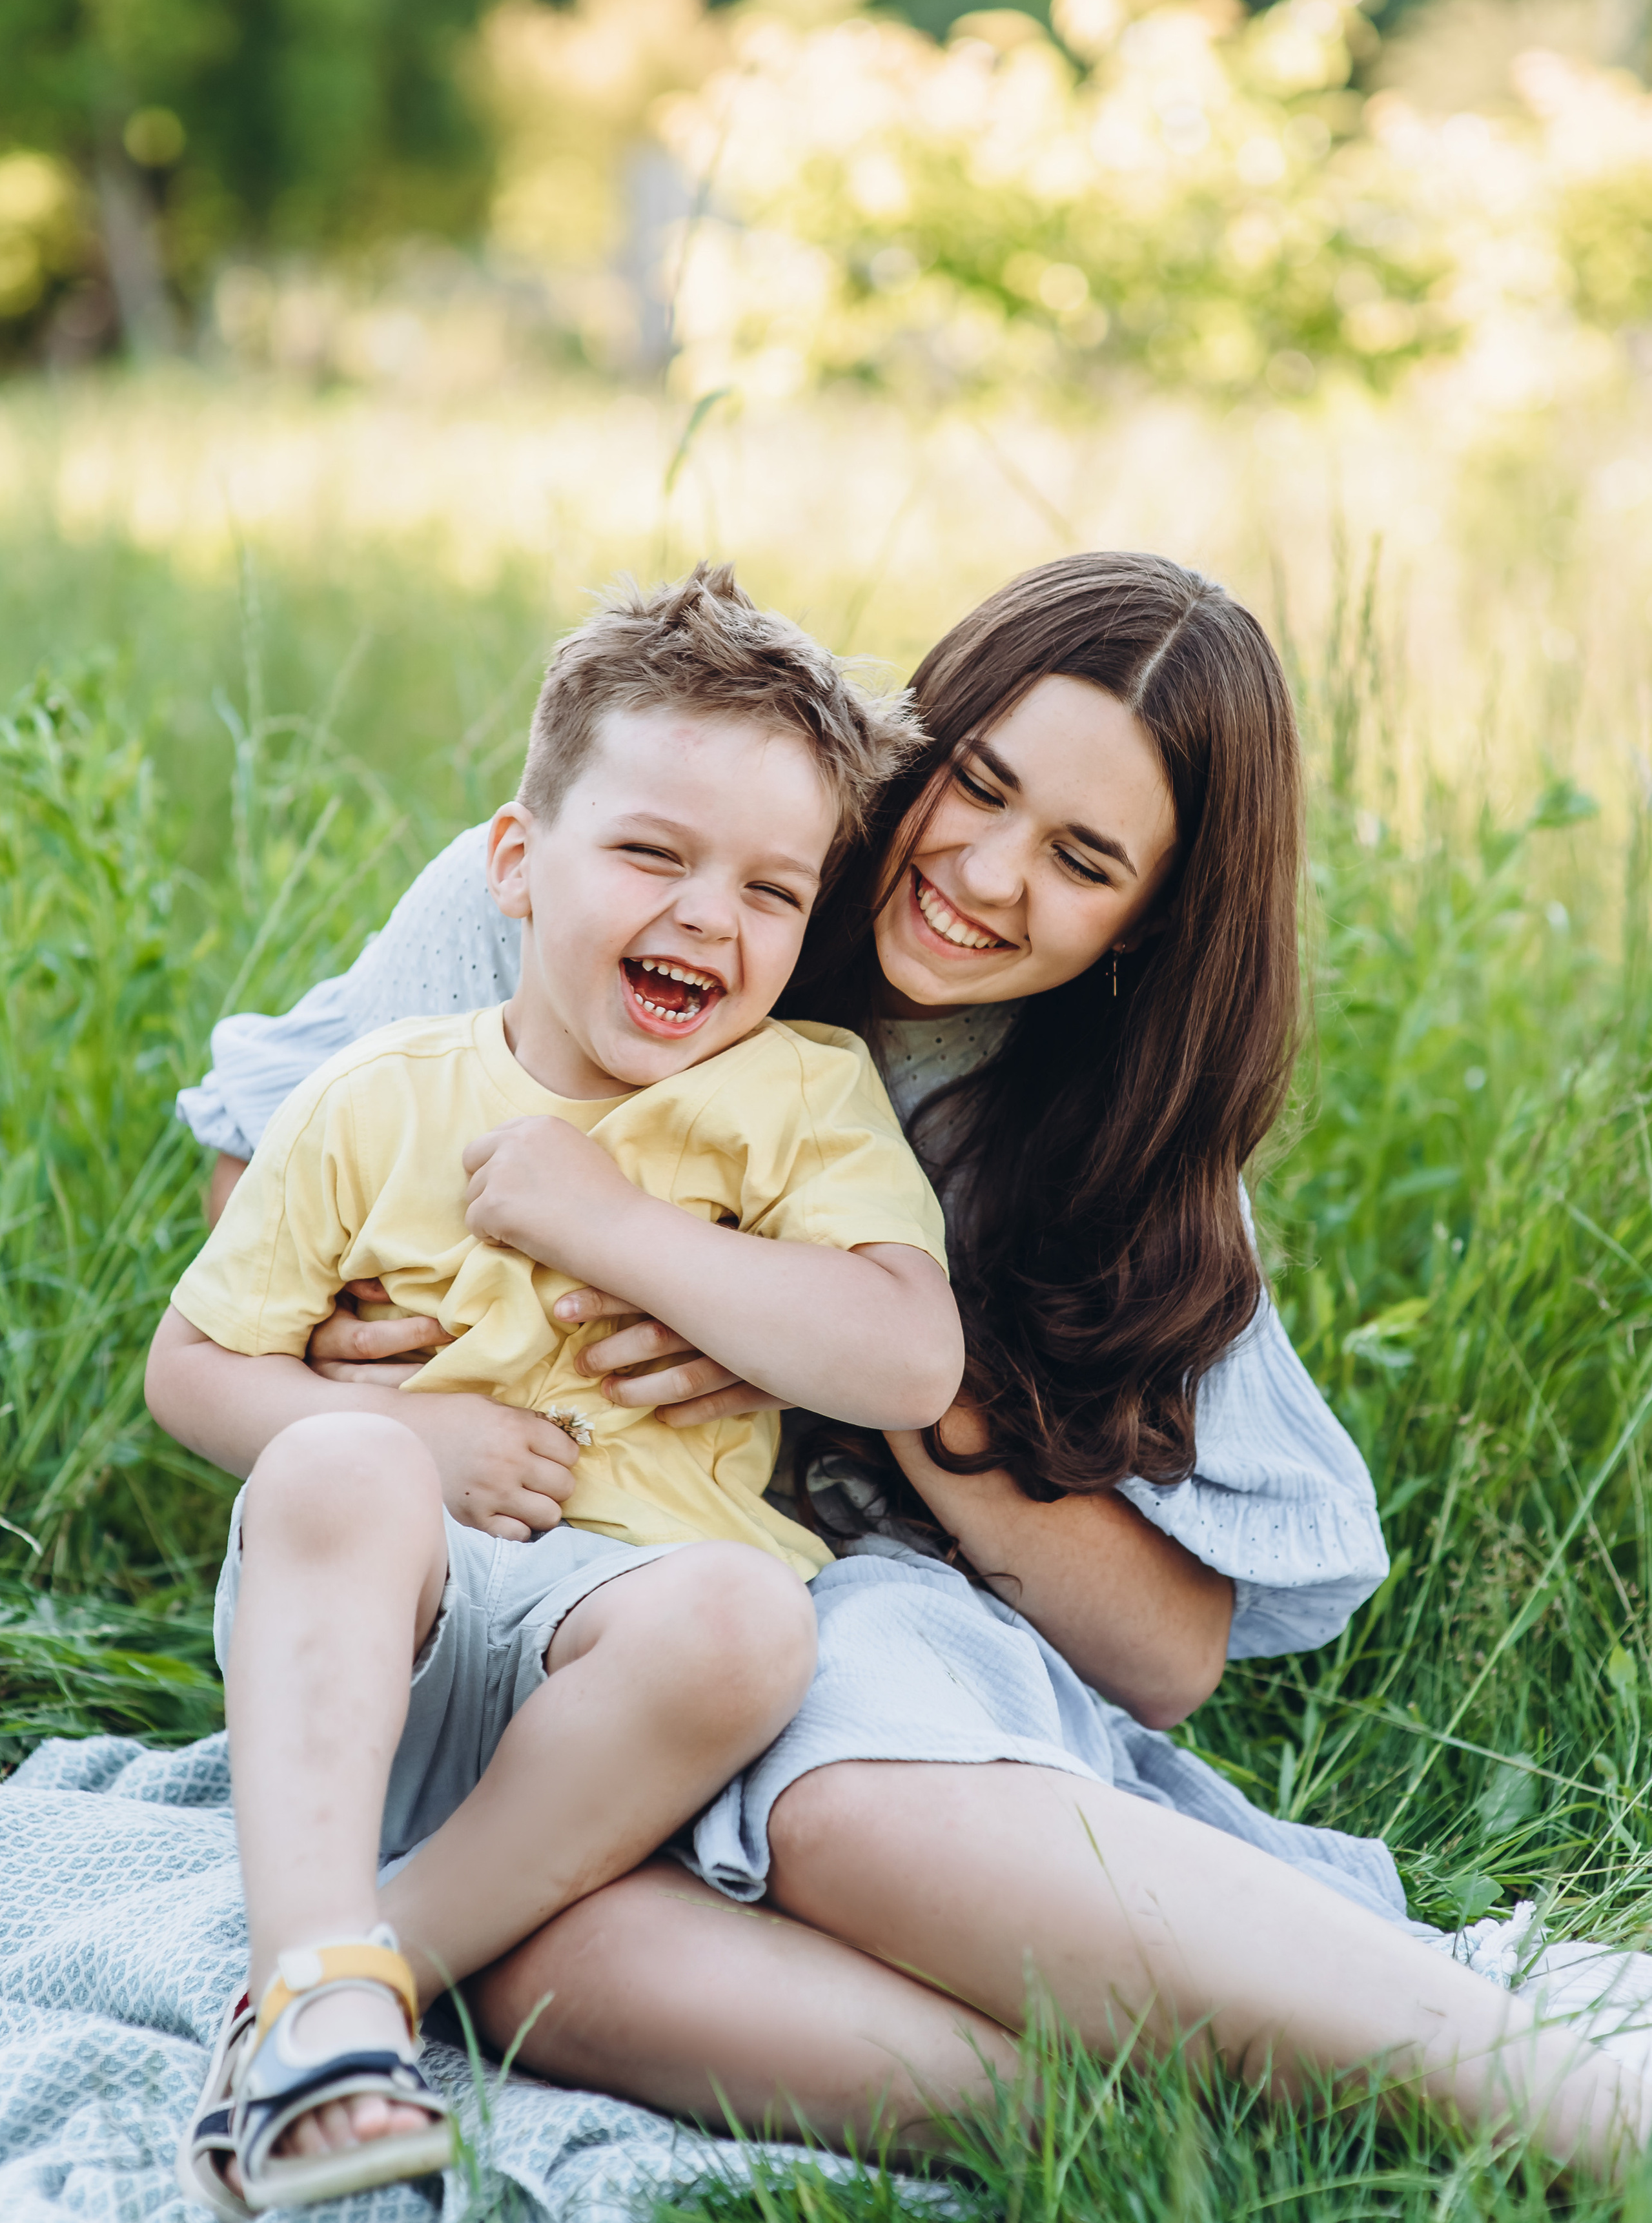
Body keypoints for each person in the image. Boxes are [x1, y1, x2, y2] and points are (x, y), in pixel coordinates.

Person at [182, 553, 1650, 2171]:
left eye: (1082, 858)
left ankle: (1533, 2100)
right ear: (910, 745)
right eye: (979, 785)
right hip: (505, 1591)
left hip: (826, 1601)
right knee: (543, 1964)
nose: (984, 871)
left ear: (1147, 921)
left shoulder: (1111, 1133)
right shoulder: (614, 868)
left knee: (840, 1778)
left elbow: (1168, 1651)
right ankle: (1176, 2123)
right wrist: (380, 1393)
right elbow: (263, 1189)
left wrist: (791, 1337)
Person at [146, 566, 963, 2212]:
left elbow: (907, 1357)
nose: (706, 920)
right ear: (517, 867)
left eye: (769, 890)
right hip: (382, 1645)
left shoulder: (801, 1098)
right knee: (340, 1472)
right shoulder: (385, 1096)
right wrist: (408, 1431)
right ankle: (324, 1978)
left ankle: (335, 1998)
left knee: (749, 1618)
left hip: (630, 1704)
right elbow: (191, 1367)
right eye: (652, 853)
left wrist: (614, 1226)